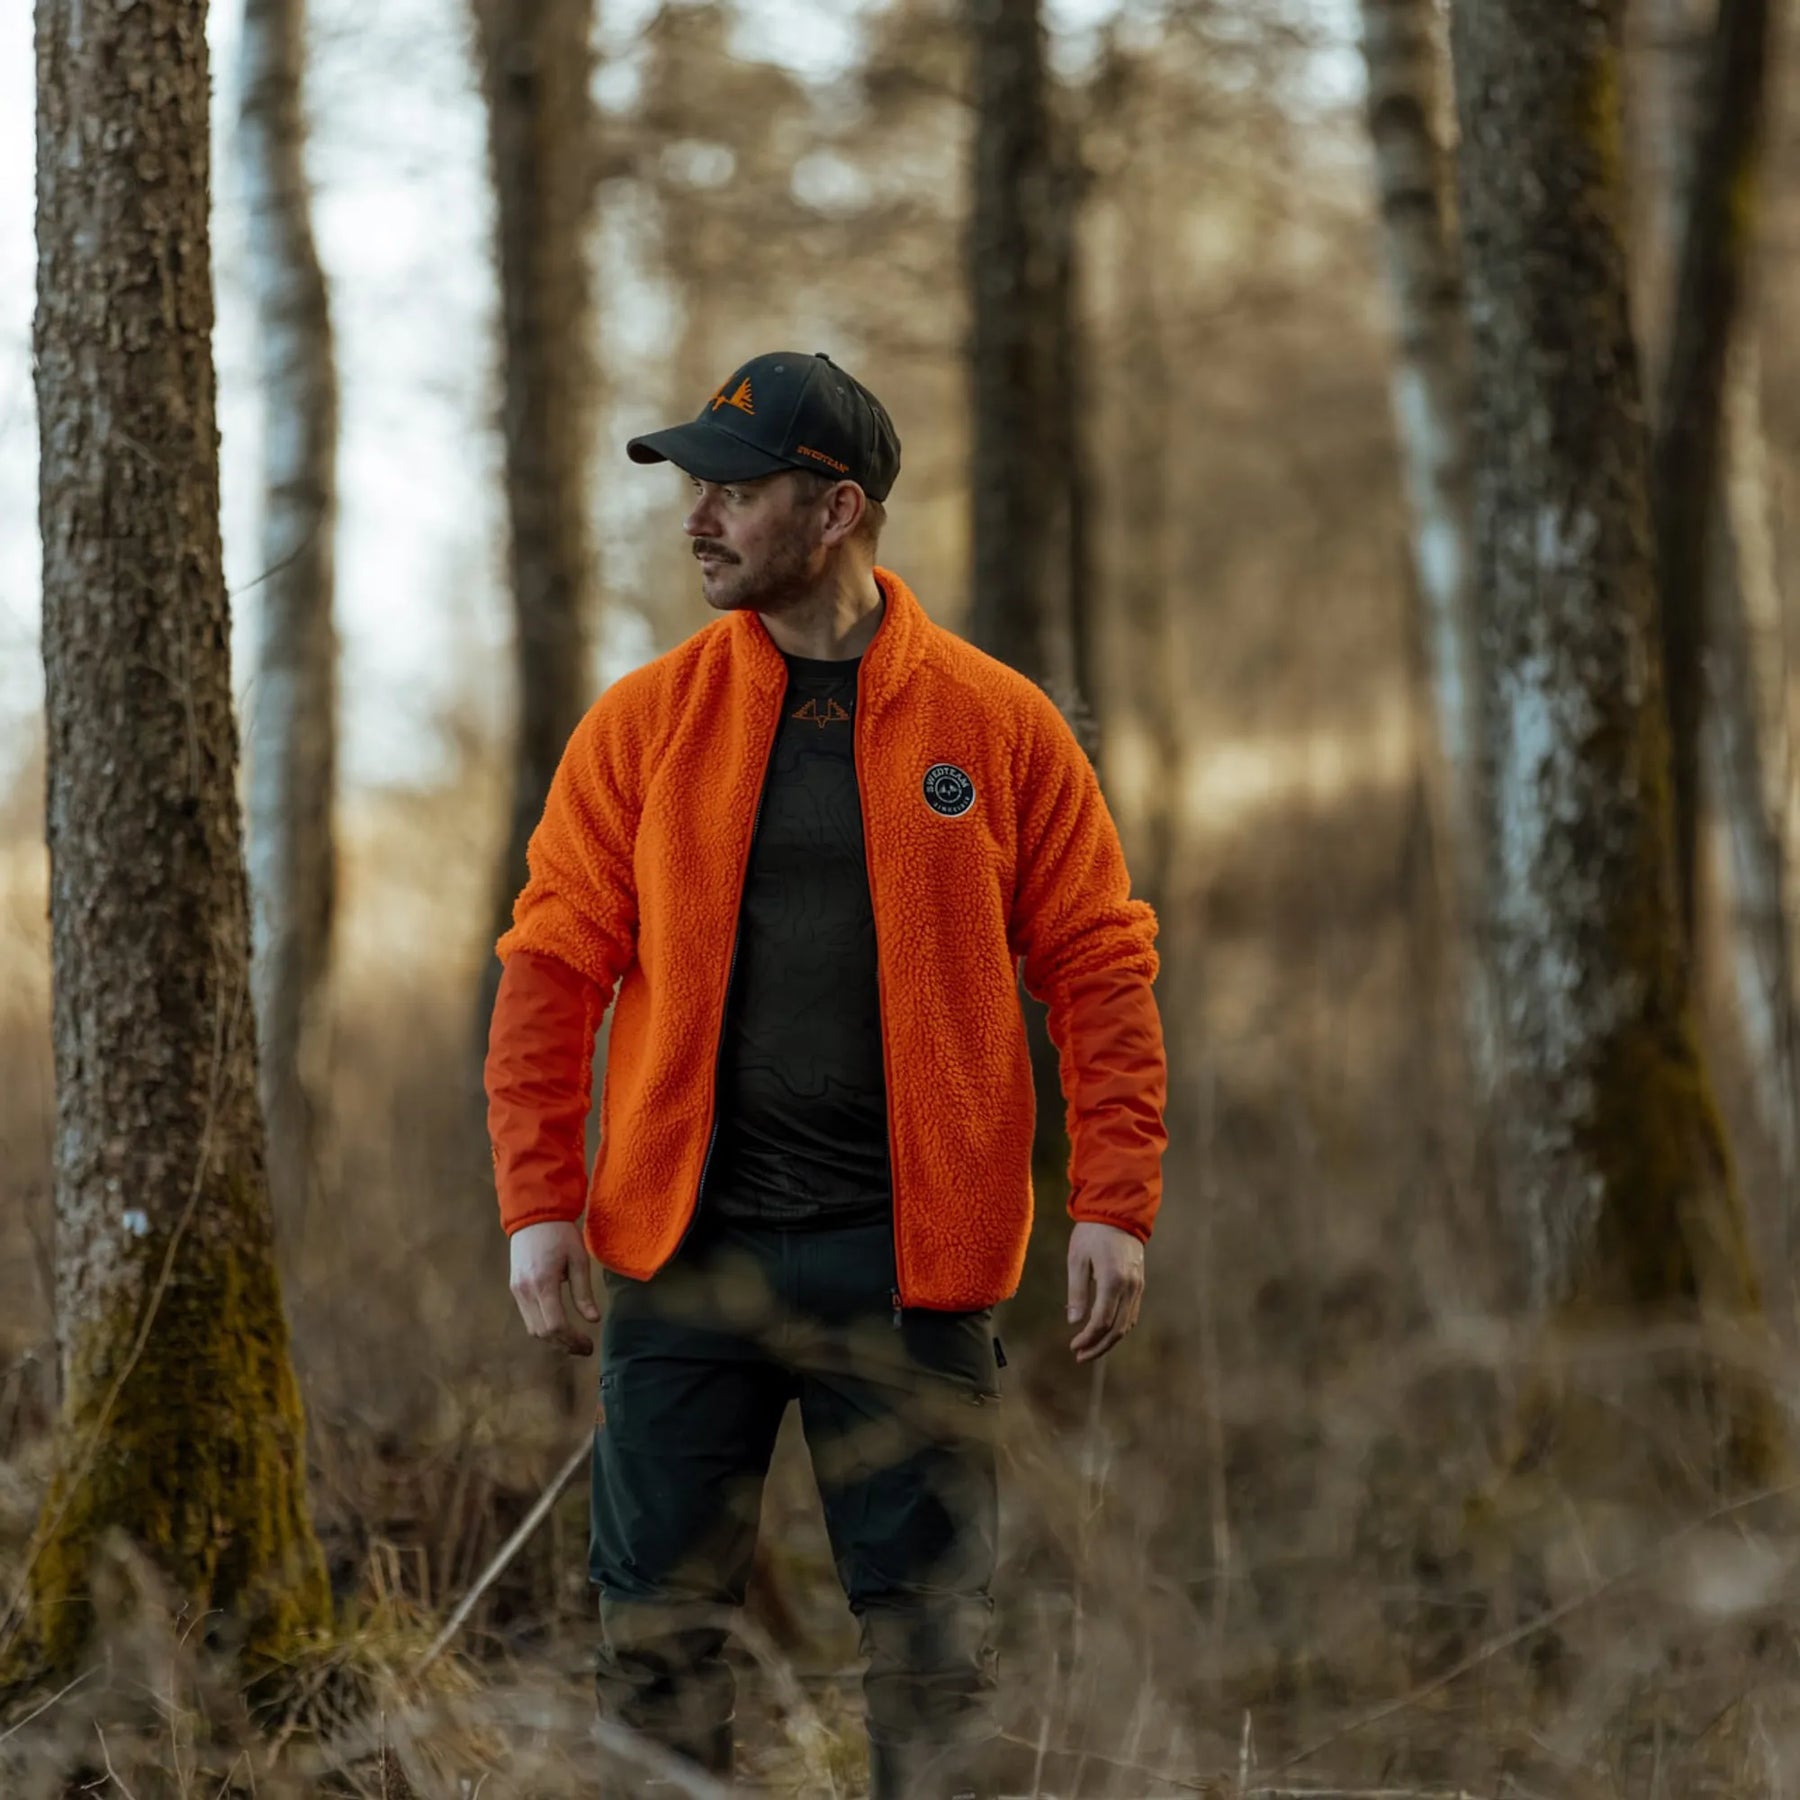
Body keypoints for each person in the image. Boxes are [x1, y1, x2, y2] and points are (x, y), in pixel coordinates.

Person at [485, 350, 1168, 1798]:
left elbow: (1100, 964)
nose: (699, 520)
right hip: (686, 1258)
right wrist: (539, 1202)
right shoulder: (643, 724)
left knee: (933, 1655)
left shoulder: (997, 724)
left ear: (838, 507)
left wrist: (1115, 1197)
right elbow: (550, 970)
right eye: (695, 491)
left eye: (734, 492)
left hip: (911, 1264)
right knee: (656, 1647)